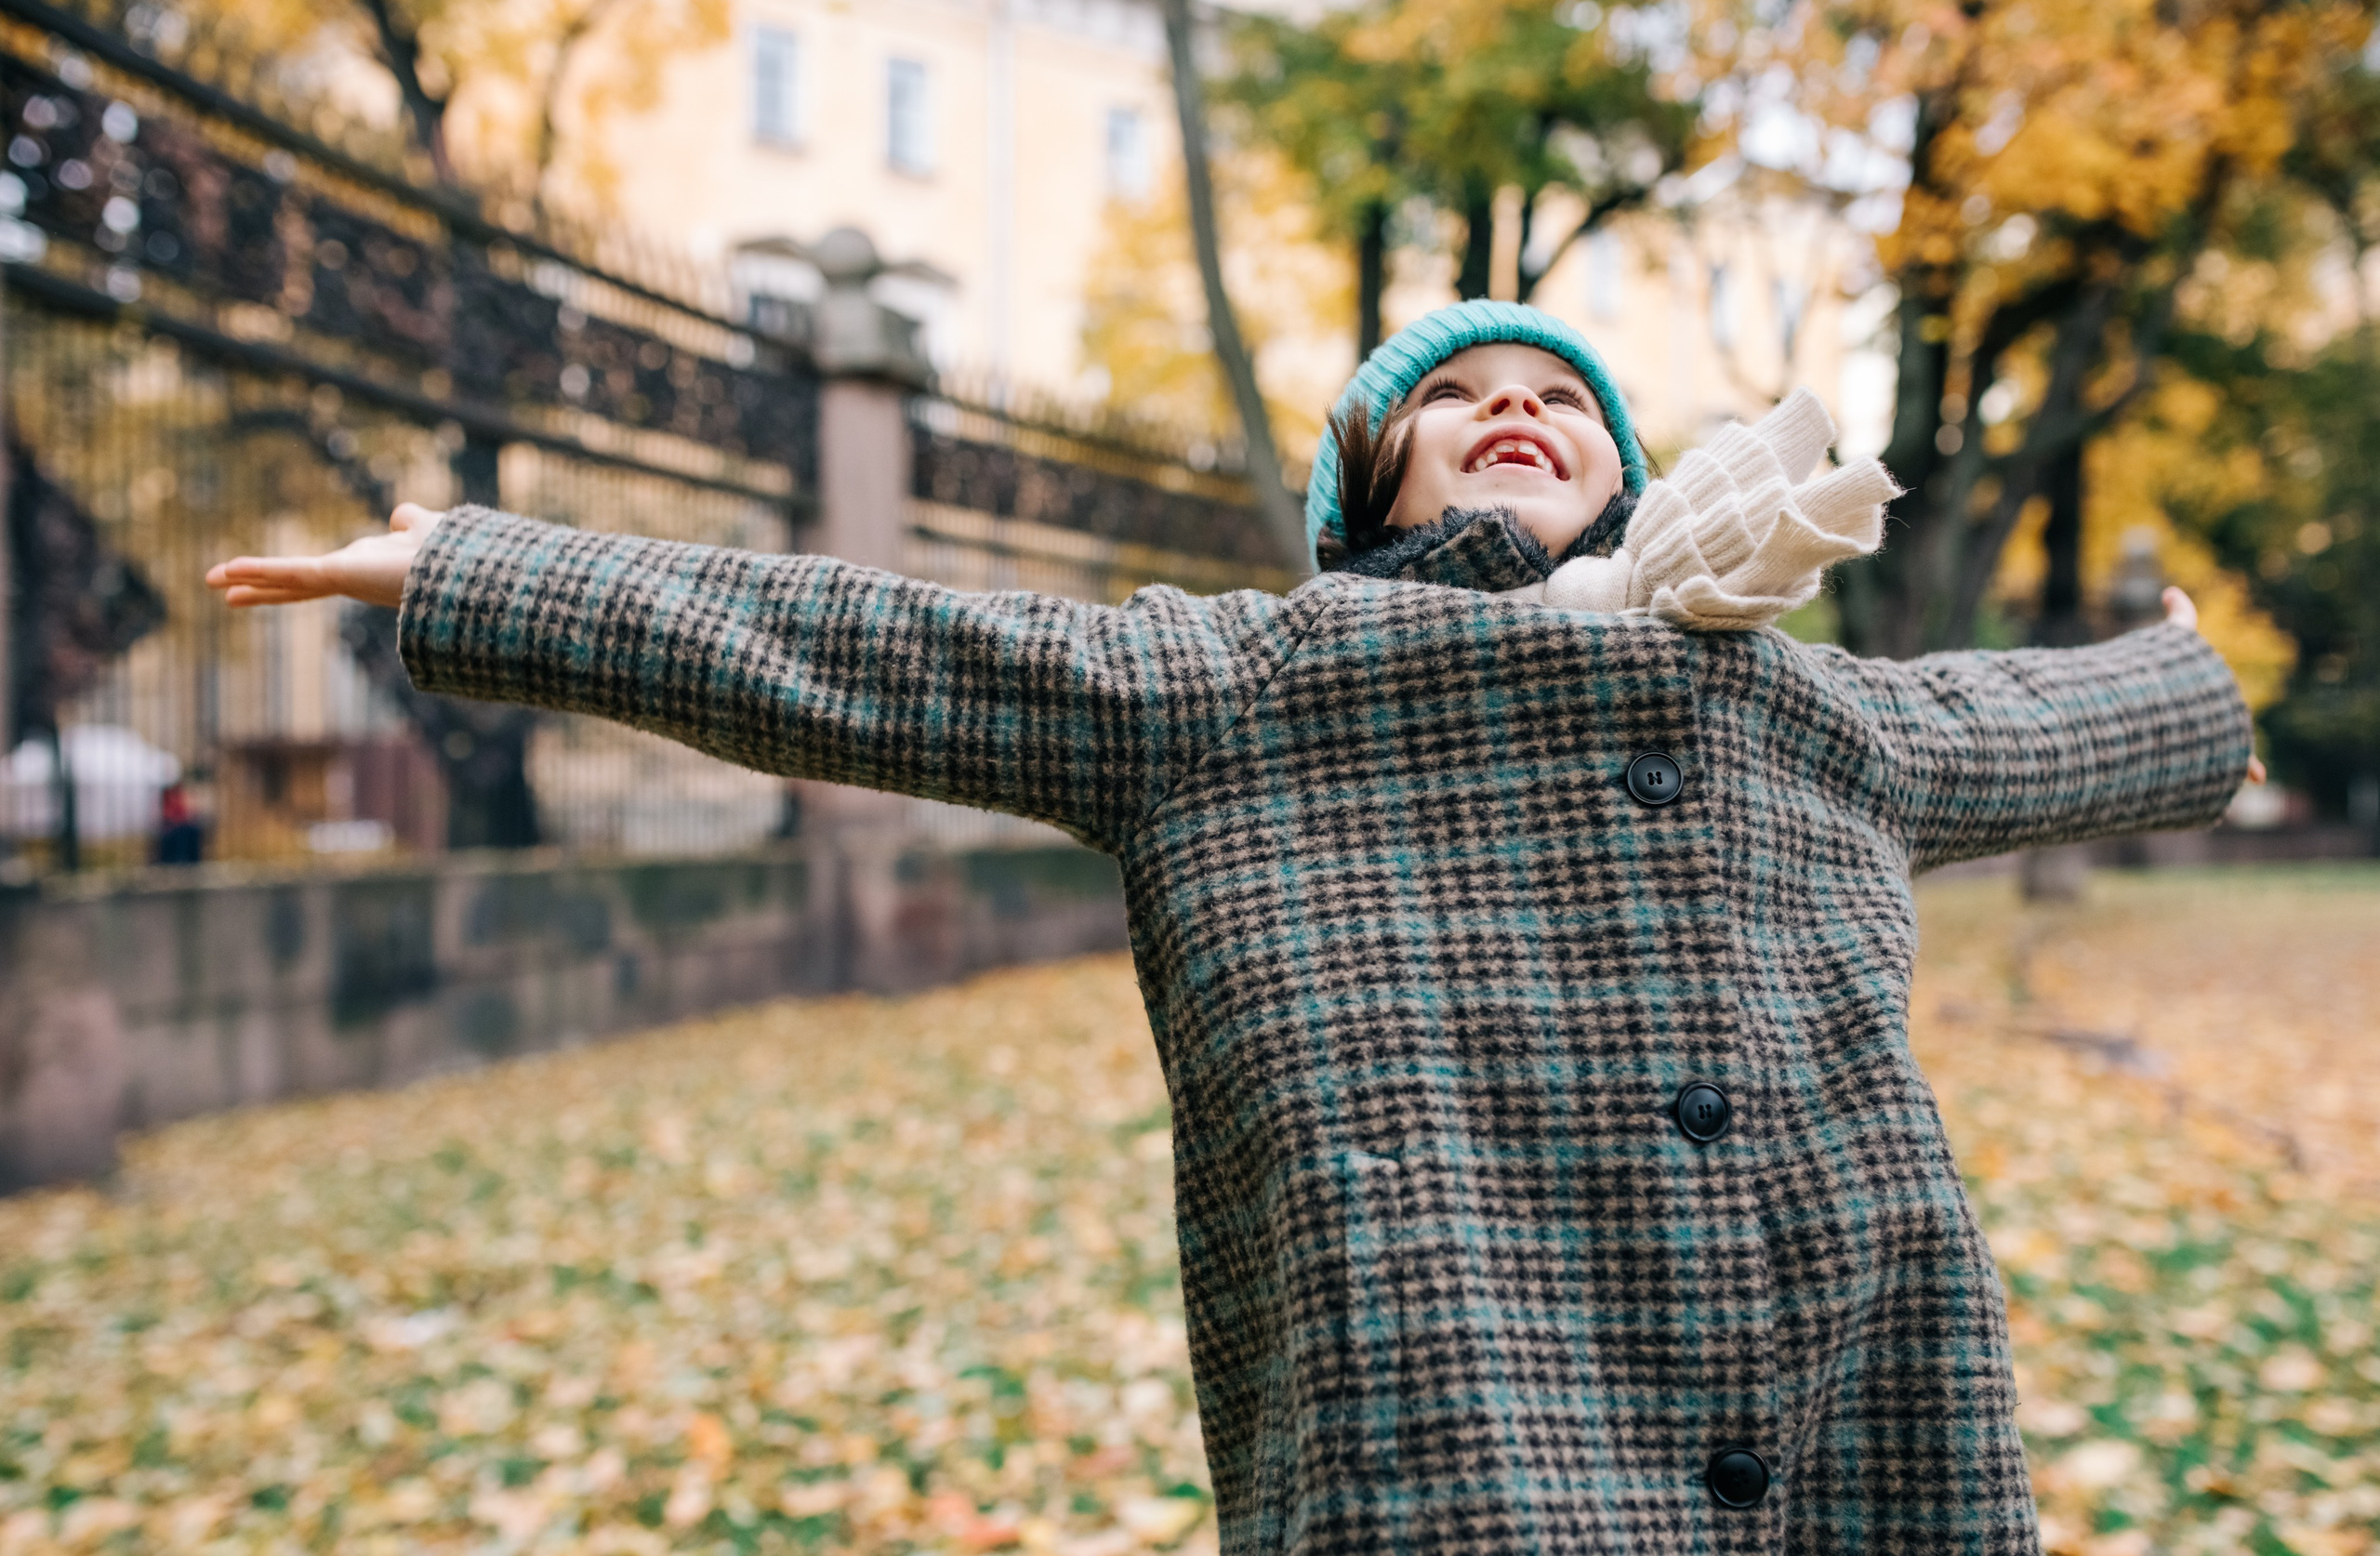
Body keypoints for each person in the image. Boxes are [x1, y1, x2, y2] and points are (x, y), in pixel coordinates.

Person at [207, 300, 2260, 1555]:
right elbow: (870, 643)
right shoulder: (1245, 677)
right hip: (1449, 1395)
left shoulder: (1803, 701)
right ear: (1365, 479)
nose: (1523, 406)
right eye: (1461, 394)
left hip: (1848, 1375)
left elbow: (2021, 710)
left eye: (1565, 394)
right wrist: (470, 570)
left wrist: (2182, 675)